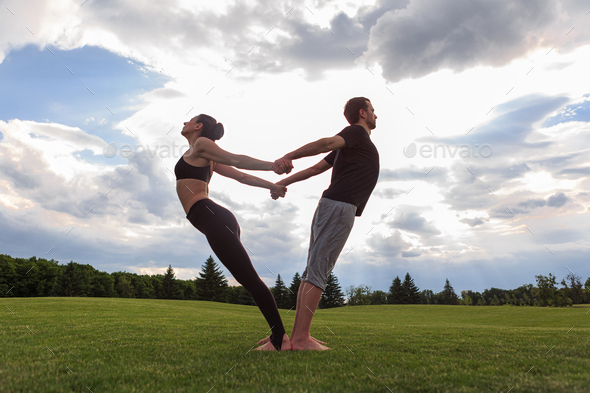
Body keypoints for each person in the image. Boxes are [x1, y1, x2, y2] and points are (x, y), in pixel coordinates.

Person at [261, 97, 379, 350]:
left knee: (313, 268)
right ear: (362, 113)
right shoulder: (356, 133)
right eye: (372, 110)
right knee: (318, 268)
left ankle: (295, 337)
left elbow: (315, 169)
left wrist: (283, 183)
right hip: (339, 207)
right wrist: (289, 155)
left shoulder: (351, 144)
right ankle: (301, 338)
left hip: (331, 206)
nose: (375, 115)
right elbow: (325, 143)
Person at [175, 113, 292, 351]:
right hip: (212, 219)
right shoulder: (201, 153)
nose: (183, 122)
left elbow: (237, 161)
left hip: (212, 217)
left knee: (248, 277)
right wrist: (272, 186)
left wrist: (273, 167)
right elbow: (241, 176)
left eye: (189, 120)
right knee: (246, 277)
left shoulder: (202, 145)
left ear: (198, 126)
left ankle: (280, 340)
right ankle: (277, 335)